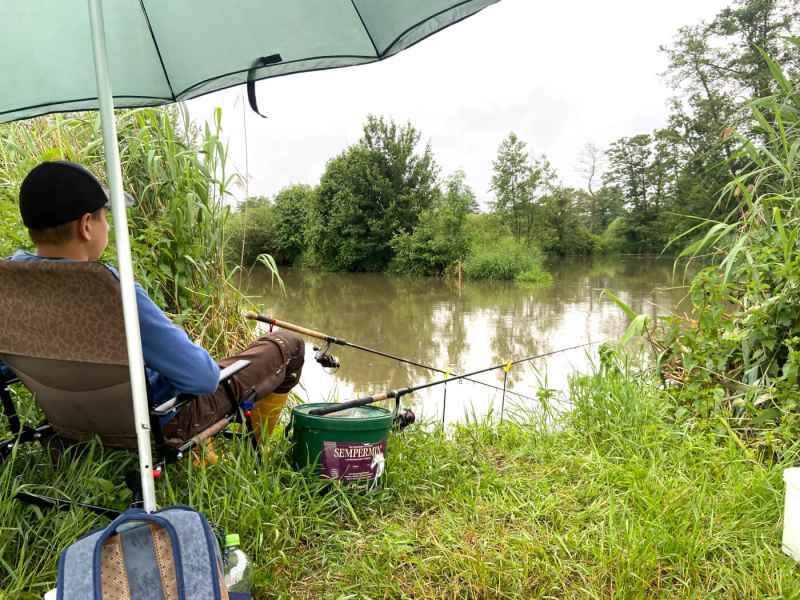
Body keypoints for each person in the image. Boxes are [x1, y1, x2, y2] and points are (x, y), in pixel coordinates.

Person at [3, 160, 304, 449]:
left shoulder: (10, 286)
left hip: (67, 422)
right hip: (159, 421)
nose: (107, 225)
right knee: (288, 344)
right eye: (105, 216)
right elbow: (203, 379)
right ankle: (259, 447)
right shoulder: (113, 292)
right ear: (86, 226)